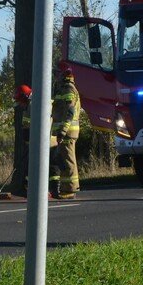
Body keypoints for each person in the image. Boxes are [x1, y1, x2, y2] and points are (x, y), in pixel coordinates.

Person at [49, 63, 82, 200]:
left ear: (63, 74)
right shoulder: (62, 89)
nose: (55, 76)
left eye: (57, 73)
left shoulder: (68, 89)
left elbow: (69, 112)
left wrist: (62, 131)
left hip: (67, 132)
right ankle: (65, 188)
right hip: (64, 132)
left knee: (68, 160)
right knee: (63, 160)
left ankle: (70, 189)